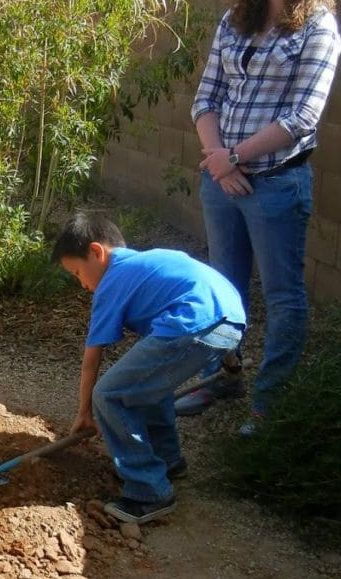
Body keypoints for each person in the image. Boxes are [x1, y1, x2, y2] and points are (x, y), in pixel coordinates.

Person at [175, 0, 341, 434]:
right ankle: (221, 374)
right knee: (224, 287)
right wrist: (219, 164)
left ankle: (270, 405)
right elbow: (206, 96)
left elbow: (302, 117)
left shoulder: (318, 28)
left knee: (283, 297)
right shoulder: (236, 20)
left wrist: (234, 157)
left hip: (274, 185)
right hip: (222, 180)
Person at [53, 209, 246, 525]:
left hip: (192, 323)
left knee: (110, 394)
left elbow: (92, 358)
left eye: (77, 273)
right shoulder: (148, 264)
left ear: (96, 252)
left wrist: (85, 411)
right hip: (230, 319)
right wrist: (230, 361)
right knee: (148, 388)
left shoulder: (112, 281)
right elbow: (216, 307)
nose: (81, 285)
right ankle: (167, 461)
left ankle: (148, 492)